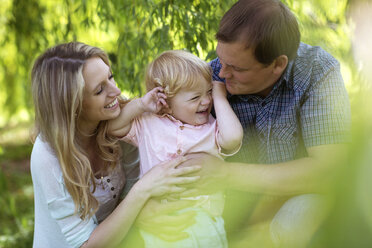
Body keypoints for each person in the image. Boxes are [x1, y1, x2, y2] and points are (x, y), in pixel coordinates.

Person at [179, 0, 351, 247]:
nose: (222, 73)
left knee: (300, 218)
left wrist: (225, 174)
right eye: (221, 60)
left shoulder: (317, 72)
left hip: (294, 205)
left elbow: (328, 172)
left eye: (237, 68)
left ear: (278, 64)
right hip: (225, 209)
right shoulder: (208, 79)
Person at [30, 42, 201, 248]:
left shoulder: (122, 119)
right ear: (72, 104)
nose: (116, 90)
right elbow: (86, 245)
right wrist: (143, 191)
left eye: (110, 77)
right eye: (100, 90)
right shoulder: (48, 154)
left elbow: (134, 180)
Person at [108, 50, 244, 247]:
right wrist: (141, 105)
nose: (206, 101)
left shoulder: (211, 128)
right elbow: (114, 127)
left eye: (208, 92)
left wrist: (220, 96)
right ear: (166, 103)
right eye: (195, 97)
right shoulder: (148, 124)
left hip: (203, 219)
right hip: (160, 224)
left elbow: (232, 139)